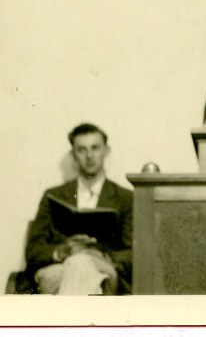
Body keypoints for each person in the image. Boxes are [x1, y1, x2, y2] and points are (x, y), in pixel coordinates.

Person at [24, 123, 133, 295]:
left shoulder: (125, 198)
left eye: (95, 148)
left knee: (81, 264)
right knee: (78, 266)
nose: (89, 156)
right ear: (73, 155)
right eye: (82, 150)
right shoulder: (53, 196)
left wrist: (100, 254)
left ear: (106, 151)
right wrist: (61, 251)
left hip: (103, 269)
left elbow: (134, 253)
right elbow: (33, 250)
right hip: (57, 270)